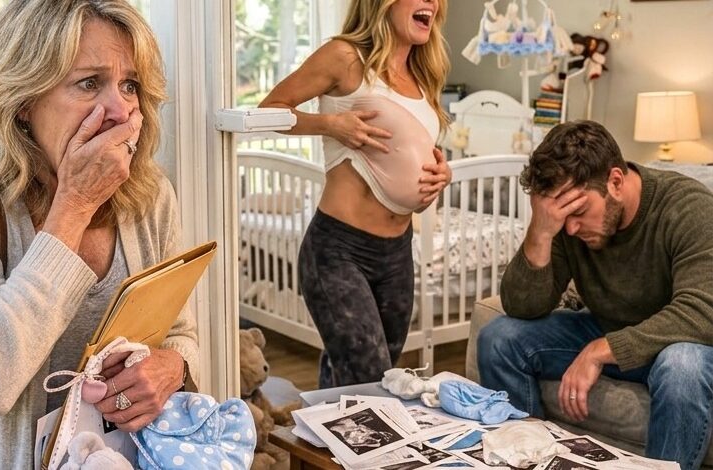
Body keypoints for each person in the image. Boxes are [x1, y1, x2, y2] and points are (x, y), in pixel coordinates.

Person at [0, 1, 199, 468]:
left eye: (130, 85)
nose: (120, 110)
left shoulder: (150, 193)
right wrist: (76, 203)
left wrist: (175, 367)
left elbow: (179, 333)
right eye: (89, 83)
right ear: (22, 99)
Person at [477, 120, 713, 469]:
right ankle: (525, 458)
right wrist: (541, 231)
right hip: (608, 328)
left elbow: (703, 311)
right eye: (562, 217)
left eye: (579, 212)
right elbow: (522, 307)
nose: (571, 228)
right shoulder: (566, 225)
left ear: (615, 182)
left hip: (677, 344)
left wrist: (602, 350)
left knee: (682, 366)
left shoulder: (688, 207)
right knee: (499, 338)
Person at [259, 0, 452, 388]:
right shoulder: (345, 57)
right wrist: (331, 124)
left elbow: (410, 148)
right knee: (370, 380)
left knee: (361, 377)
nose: (432, 2)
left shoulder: (422, 73)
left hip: (397, 254)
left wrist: (439, 174)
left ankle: (320, 428)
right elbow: (268, 110)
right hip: (339, 251)